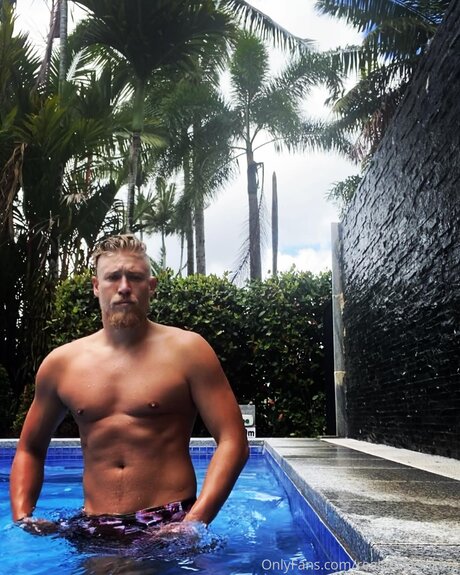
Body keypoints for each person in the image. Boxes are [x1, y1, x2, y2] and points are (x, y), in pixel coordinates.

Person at [10, 234, 249, 540]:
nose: (124, 287)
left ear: (151, 286)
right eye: (113, 277)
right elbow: (30, 448)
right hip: (94, 525)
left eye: (135, 277)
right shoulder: (61, 364)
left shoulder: (189, 352)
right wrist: (23, 516)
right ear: (96, 286)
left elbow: (233, 441)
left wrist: (193, 522)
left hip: (170, 522)